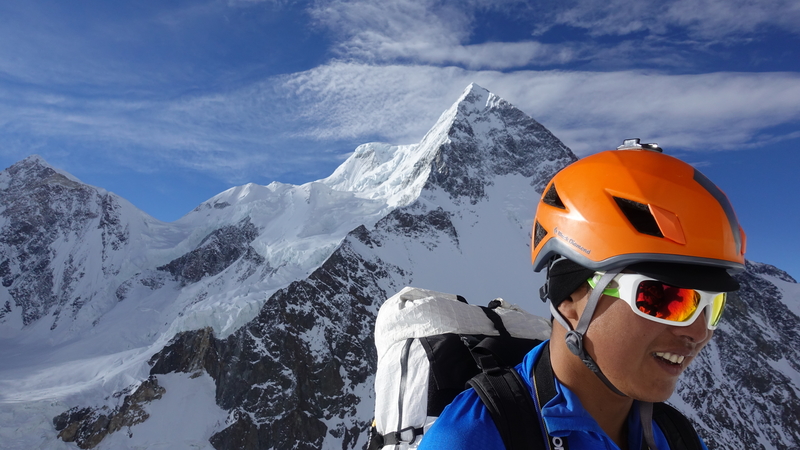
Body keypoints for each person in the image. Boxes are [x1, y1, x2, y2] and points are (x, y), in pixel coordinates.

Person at [418, 139, 746, 450]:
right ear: (571, 297)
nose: (700, 332)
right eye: (663, 299)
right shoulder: (474, 438)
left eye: (712, 306)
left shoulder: (674, 436)